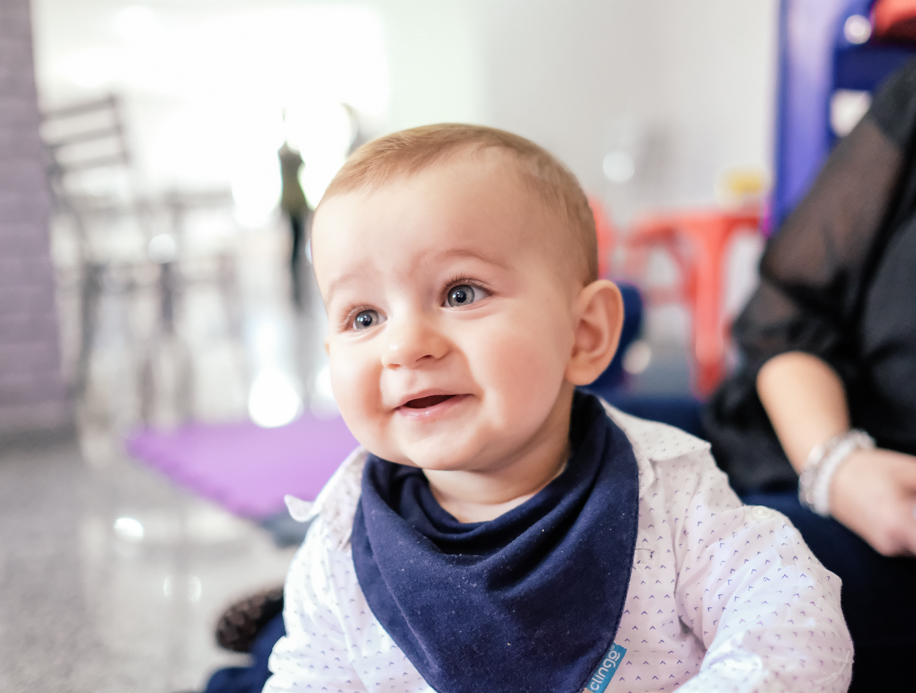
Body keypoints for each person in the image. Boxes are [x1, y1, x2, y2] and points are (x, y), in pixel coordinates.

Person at [263, 123, 852, 692]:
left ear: (584, 335)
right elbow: (309, 678)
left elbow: (793, 619)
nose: (403, 345)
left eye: (460, 293)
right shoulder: (342, 544)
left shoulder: (665, 495)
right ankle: (268, 623)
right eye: (364, 317)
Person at [703, 26, 916, 691]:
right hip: (797, 440)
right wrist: (838, 466)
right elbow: (787, 314)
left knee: (666, 580)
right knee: (542, 450)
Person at [278, 141, 310, 309]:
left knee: (297, 251)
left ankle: (299, 290)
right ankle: (296, 291)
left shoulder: (286, 155)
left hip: (296, 203)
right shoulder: (284, 155)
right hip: (293, 205)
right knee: (295, 253)